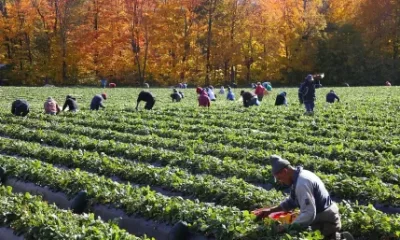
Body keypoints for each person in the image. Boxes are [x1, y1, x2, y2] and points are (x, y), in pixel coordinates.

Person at [252, 155, 342, 239]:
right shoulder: (300, 176)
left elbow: (309, 213)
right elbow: (291, 201)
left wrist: (288, 226)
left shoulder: (302, 183)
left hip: (325, 220)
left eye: (279, 178)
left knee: (295, 233)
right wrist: (271, 211)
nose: (280, 182)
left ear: (284, 171)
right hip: (323, 215)